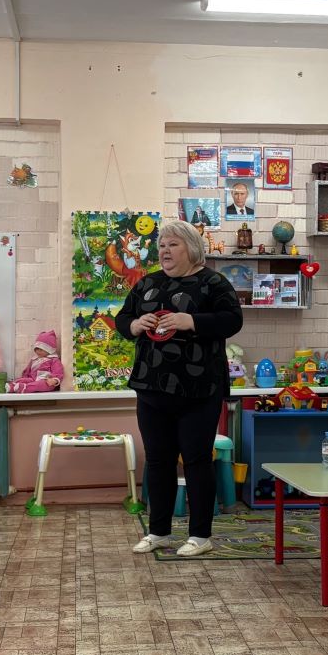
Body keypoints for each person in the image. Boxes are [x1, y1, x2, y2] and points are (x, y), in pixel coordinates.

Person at [116, 218, 243, 557]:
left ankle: (200, 536)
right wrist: (135, 324)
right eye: (162, 246)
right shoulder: (148, 283)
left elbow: (233, 320)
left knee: (197, 461)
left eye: (173, 245)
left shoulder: (213, 282)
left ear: (192, 248)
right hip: (151, 388)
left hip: (199, 390)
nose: (165, 251)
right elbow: (121, 320)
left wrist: (192, 321)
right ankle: (158, 532)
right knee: (158, 461)